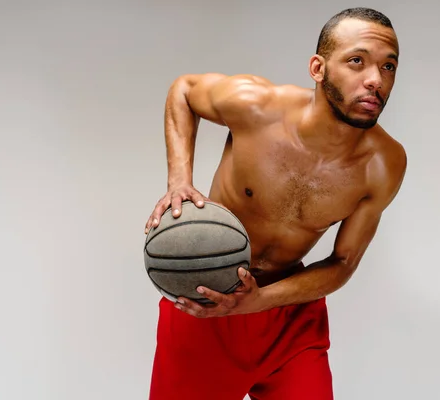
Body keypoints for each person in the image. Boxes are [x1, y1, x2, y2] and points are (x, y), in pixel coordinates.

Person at [145, 7, 407, 400]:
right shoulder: (256, 107)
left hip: (290, 315)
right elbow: (184, 90)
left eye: (389, 67)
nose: (375, 81)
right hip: (207, 304)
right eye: (357, 61)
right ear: (318, 68)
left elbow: (343, 263)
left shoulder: (383, 164)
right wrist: (179, 181)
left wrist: (259, 301)